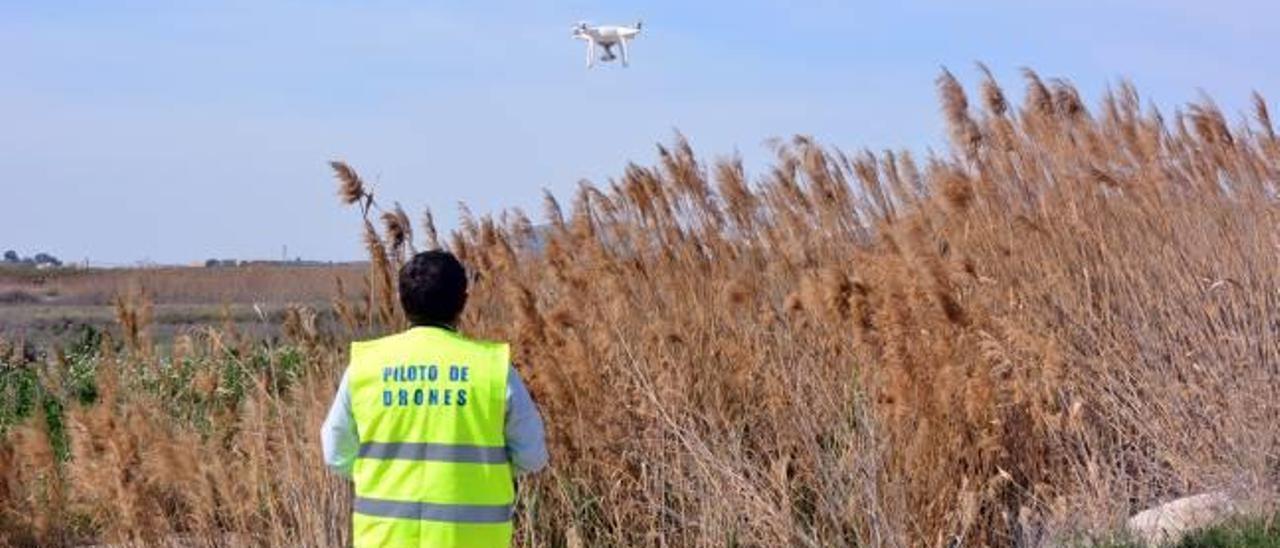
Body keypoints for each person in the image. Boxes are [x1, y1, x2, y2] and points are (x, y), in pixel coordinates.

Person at [322, 250, 548, 547]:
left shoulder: (366, 366)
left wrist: (382, 471)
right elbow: (533, 457)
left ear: (401, 300)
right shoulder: (493, 369)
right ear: (463, 299)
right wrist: (485, 472)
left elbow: (335, 454)